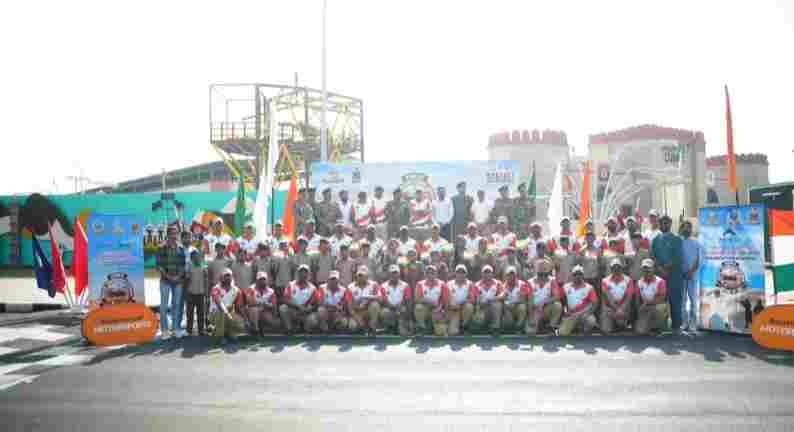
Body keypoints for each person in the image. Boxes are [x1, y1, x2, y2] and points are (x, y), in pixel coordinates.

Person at [651, 215, 684, 332]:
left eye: (666, 223)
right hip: (660, 276)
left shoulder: (677, 239)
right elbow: (653, 256)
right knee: (660, 300)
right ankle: (661, 325)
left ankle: (676, 326)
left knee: (675, 300)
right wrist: (660, 268)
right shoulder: (655, 240)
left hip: (674, 275)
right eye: (661, 223)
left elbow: (678, 256)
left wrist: (667, 268)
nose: (663, 225)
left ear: (670, 224)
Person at [156, 226, 186, 338]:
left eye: (176, 233)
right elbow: (159, 266)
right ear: (167, 235)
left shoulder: (181, 248)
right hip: (165, 281)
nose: (174, 235)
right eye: (172, 233)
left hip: (178, 281)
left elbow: (183, 265)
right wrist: (168, 277)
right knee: (163, 306)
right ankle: (164, 330)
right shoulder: (161, 247)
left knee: (176, 305)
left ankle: (175, 328)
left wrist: (178, 276)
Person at [279, 264, 321, 335]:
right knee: (283, 308)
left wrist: (308, 309)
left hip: (306, 312)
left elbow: (317, 303)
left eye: (305, 272)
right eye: (301, 272)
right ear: (298, 274)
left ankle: (304, 328)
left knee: (313, 321)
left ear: (308, 274)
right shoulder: (291, 284)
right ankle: (289, 329)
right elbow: (285, 299)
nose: (303, 274)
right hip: (293, 310)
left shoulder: (313, 288)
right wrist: (297, 306)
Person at [558, 265, 599, 336]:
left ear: (583, 275)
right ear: (572, 276)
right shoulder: (565, 287)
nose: (577, 276)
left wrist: (585, 313)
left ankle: (583, 332)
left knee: (591, 321)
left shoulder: (589, 288)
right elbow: (561, 300)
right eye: (575, 274)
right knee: (562, 333)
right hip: (571, 314)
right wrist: (565, 310)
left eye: (580, 274)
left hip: (584, 314)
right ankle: (575, 327)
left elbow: (595, 304)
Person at [526, 259, 563, 335]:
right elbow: (530, 301)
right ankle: (540, 325)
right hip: (535, 310)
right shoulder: (530, 282)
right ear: (537, 270)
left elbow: (557, 296)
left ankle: (551, 327)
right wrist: (531, 317)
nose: (543, 274)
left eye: (544, 271)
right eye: (540, 272)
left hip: (546, 308)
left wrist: (543, 303)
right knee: (530, 332)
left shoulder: (552, 280)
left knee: (557, 306)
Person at [209, 268, 245, 343]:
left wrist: (245, 318)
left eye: (229, 275)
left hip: (229, 313)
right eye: (225, 276)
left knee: (241, 323)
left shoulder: (236, 290)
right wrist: (227, 313)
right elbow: (219, 303)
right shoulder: (215, 288)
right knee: (222, 313)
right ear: (221, 277)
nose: (228, 277)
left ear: (232, 277)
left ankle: (229, 332)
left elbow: (239, 306)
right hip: (215, 314)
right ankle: (220, 336)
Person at [600, 258, 636, 334]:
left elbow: (629, 298)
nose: (616, 269)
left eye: (618, 267)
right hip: (610, 309)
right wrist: (616, 309)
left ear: (621, 268)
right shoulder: (604, 281)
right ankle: (613, 323)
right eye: (614, 267)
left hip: (624, 309)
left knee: (621, 323)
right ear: (611, 269)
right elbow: (608, 298)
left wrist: (621, 309)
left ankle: (619, 324)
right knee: (606, 330)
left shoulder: (629, 280)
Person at [635, 258, 670, 335]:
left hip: (657, 306)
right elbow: (637, 299)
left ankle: (660, 326)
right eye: (644, 269)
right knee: (640, 331)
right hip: (646, 308)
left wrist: (647, 304)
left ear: (653, 269)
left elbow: (661, 298)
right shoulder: (639, 282)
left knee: (659, 309)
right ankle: (650, 326)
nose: (646, 271)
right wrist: (639, 310)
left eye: (648, 269)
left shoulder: (660, 281)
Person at [413, 265, 450, 336]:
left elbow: (446, 301)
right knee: (418, 308)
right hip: (425, 308)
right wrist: (430, 302)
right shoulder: (420, 284)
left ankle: (433, 327)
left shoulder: (442, 284)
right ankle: (422, 328)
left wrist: (443, 311)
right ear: (425, 274)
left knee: (440, 332)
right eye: (428, 273)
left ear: (436, 274)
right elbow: (417, 299)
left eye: (432, 273)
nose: (430, 275)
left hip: (438, 310)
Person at [380, 264, 414, 336]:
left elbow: (407, 299)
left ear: (399, 274)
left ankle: (401, 326)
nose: (394, 275)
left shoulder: (405, 285)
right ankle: (390, 327)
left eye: (396, 273)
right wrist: (391, 306)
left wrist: (401, 306)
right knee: (384, 312)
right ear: (389, 274)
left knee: (403, 310)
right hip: (389, 308)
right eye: (392, 273)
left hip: (401, 308)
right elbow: (383, 300)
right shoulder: (383, 286)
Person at [348, 266, 383, 336]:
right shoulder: (350, 287)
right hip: (357, 312)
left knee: (375, 305)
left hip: (369, 311)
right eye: (359, 275)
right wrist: (358, 319)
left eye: (362, 275)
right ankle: (364, 328)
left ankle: (372, 326)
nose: (360, 277)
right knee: (352, 326)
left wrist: (366, 297)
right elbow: (350, 307)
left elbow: (380, 298)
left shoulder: (374, 284)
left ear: (367, 276)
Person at [680, 220, 701, 331]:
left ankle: (693, 322)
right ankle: (684, 322)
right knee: (682, 300)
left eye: (688, 227)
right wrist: (683, 273)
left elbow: (698, 259)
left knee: (693, 299)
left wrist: (691, 272)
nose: (686, 229)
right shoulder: (679, 242)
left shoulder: (696, 243)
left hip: (692, 275)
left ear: (691, 229)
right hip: (682, 276)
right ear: (682, 229)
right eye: (684, 227)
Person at [472, 265, 505, 336]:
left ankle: (495, 328)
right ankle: (482, 327)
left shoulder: (498, 283)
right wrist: (480, 304)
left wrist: (493, 299)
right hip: (482, 309)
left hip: (493, 308)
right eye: (485, 272)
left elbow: (502, 295)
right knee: (478, 320)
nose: (487, 274)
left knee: (497, 304)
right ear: (482, 274)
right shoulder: (477, 285)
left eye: (489, 272)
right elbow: (474, 299)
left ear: (492, 274)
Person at [184, 250, 208, 336]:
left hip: (200, 293)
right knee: (189, 313)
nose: (196, 258)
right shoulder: (188, 266)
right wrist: (186, 292)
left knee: (201, 313)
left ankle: (201, 330)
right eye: (194, 256)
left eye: (197, 256)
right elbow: (186, 279)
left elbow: (206, 278)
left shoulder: (203, 265)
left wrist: (206, 292)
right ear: (191, 258)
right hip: (191, 293)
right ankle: (189, 330)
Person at [501, 266, 530, 333]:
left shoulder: (522, 284)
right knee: (508, 322)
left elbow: (524, 299)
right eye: (509, 275)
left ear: (516, 275)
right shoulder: (503, 285)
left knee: (522, 307)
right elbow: (502, 299)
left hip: (517, 306)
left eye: (513, 274)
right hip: (507, 308)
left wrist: (514, 303)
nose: (511, 276)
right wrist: (506, 307)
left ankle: (519, 327)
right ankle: (509, 328)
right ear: (506, 276)